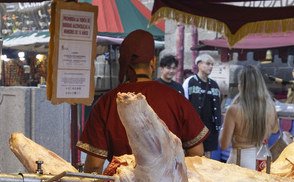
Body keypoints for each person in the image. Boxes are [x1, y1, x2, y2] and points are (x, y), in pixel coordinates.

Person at [78, 29, 206, 174]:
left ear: (124, 63)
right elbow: (197, 154)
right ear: (153, 61)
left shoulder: (104, 104)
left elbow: (94, 166)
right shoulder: (177, 99)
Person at [219, 65, 278, 171]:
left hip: (239, 159)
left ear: (241, 85)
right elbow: (274, 130)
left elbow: (224, 145)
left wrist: (223, 127)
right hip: (261, 158)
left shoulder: (234, 110)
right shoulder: (270, 107)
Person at [184, 53, 223, 159]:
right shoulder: (190, 82)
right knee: (195, 155)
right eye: (208, 64)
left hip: (210, 126)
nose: (210, 67)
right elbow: (185, 102)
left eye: (212, 65)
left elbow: (218, 104)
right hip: (196, 126)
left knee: (208, 156)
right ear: (199, 65)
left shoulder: (214, 84)